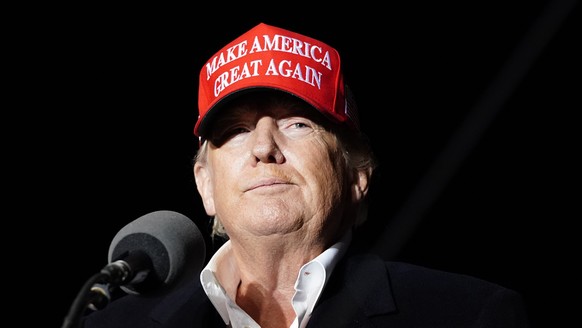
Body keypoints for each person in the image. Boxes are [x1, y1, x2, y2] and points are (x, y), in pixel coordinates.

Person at [80, 22, 530, 328]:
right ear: (205, 185)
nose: (263, 148)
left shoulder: (467, 316)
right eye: (235, 131)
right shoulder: (112, 324)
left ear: (357, 174)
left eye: (297, 124)